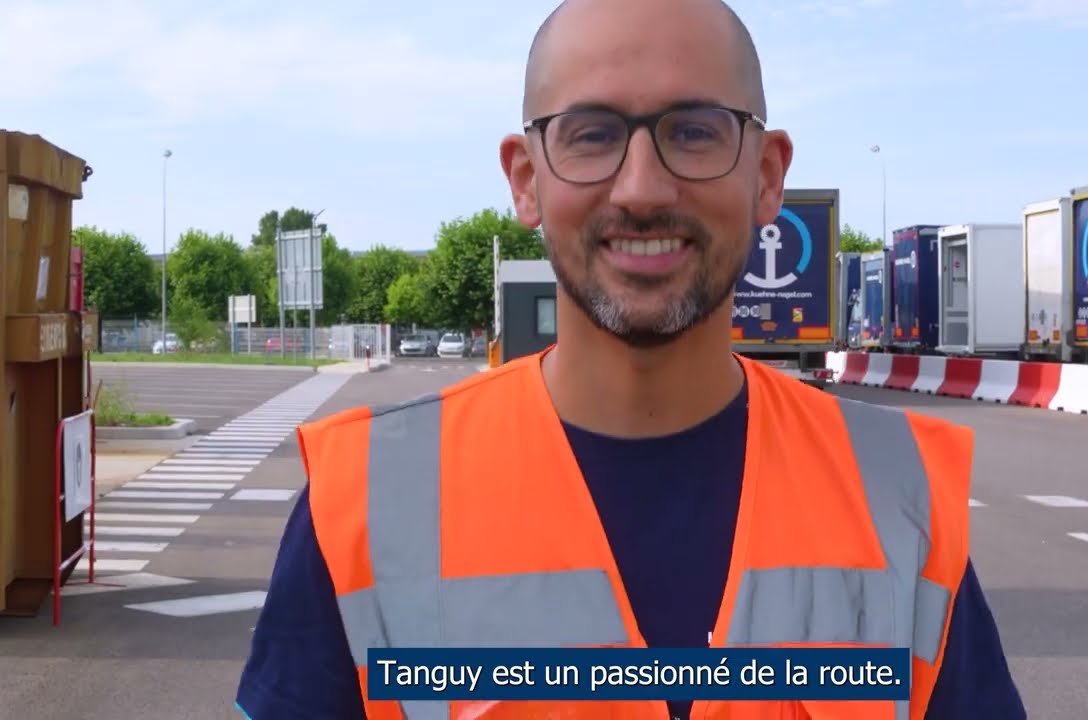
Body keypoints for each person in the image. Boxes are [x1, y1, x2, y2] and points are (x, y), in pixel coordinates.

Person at [234, 0, 1027, 717]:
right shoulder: (365, 505)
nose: (642, 189)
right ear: (525, 180)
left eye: (694, 131)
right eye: (591, 134)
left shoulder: (898, 499)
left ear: (766, 175)